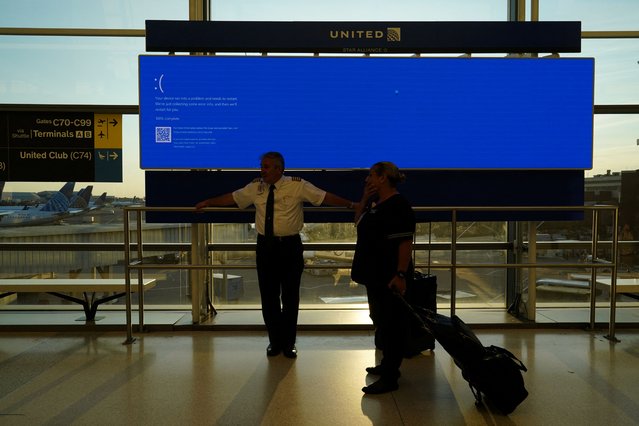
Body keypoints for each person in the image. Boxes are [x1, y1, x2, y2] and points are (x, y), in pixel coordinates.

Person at [195, 152, 356, 359]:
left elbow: (324, 197)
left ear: (280, 169)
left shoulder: (297, 185)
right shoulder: (256, 187)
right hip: (266, 247)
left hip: (290, 246)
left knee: (290, 297)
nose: (263, 170)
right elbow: (232, 198)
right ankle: (274, 341)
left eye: (267, 167)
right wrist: (208, 202)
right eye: (262, 166)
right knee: (269, 297)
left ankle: (289, 343)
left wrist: (351, 205)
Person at [351, 161, 416, 394]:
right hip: (374, 275)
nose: (367, 179)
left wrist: (400, 274)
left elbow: (405, 243)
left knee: (392, 324)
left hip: (389, 276)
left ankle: (391, 375)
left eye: (371, 175)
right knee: (381, 320)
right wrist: (364, 199)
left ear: (382, 178)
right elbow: (357, 222)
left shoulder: (398, 206)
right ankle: (387, 365)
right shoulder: (376, 203)